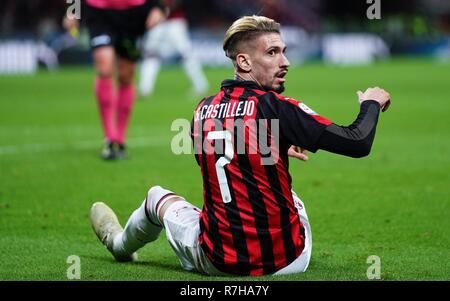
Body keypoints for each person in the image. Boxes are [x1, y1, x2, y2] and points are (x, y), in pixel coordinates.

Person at [90, 15, 391, 276]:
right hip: (288, 261)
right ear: (244, 61)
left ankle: (119, 244)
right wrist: (371, 104)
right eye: (272, 53)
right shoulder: (278, 107)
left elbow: (222, 153)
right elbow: (357, 141)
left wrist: (273, 143)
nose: (284, 62)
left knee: (157, 196)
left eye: (283, 52)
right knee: (290, 197)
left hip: (216, 261)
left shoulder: (201, 110)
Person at [63, 0, 166, 160]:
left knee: (126, 75)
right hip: (99, 11)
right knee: (104, 67)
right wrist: (72, 10)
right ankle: (110, 137)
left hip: (134, 13)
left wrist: (159, 7)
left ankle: (119, 138)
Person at [138, 0, 209, 98]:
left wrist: (165, 8)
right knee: (151, 54)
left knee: (185, 53)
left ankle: (200, 85)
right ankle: (145, 89)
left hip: (175, 21)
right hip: (158, 20)